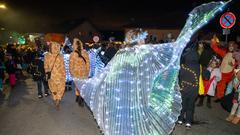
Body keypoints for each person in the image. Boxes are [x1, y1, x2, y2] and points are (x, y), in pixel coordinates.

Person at [71, 2, 228, 134]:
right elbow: (167, 53)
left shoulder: (120, 54)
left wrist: (90, 84)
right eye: (143, 39)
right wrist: (186, 35)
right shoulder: (142, 53)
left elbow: (107, 74)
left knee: (122, 124)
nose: (144, 41)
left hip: (120, 98)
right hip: (136, 98)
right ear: (138, 40)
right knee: (135, 125)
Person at [211, 35, 238, 102]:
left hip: (229, 73)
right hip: (222, 71)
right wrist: (214, 41)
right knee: (220, 84)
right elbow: (217, 49)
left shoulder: (236, 54)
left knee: (223, 85)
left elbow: (238, 63)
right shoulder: (225, 53)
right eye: (229, 46)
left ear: (234, 47)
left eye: (232, 46)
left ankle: (221, 97)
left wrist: (233, 64)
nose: (230, 47)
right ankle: (220, 96)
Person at [44, 42, 66, 110]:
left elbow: (45, 66)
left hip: (51, 76)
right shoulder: (60, 56)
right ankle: (58, 99)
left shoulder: (47, 55)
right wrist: (64, 75)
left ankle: (55, 97)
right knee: (61, 88)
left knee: (53, 88)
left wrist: (47, 72)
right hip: (60, 76)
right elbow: (63, 67)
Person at [69, 38, 90, 107]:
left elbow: (71, 65)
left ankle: (79, 98)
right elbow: (88, 63)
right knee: (83, 86)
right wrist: (87, 71)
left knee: (77, 85)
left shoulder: (72, 54)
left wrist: (71, 73)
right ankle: (80, 97)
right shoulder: (85, 52)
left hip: (76, 73)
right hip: (84, 72)